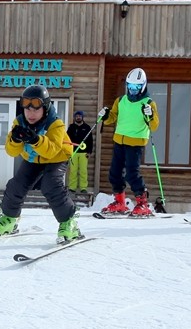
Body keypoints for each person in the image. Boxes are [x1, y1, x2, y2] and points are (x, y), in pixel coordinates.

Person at [0, 85, 81, 244]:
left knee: (51, 186)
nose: (31, 114)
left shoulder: (55, 124)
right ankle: (9, 219)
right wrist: (15, 140)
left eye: (36, 109)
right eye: (27, 109)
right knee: (16, 185)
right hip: (33, 159)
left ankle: (69, 222)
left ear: (45, 108)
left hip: (56, 158)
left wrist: (35, 140)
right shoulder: (19, 122)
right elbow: (12, 152)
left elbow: (51, 151)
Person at [98, 68, 159, 217]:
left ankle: (142, 203)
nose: (132, 90)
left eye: (136, 87)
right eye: (130, 86)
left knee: (132, 173)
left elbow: (154, 125)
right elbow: (112, 117)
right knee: (114, 173)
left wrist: (150, 115)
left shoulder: (148, 103)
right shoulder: (121, 101)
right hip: (119, 140)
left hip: (136, 142)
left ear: (143, 86)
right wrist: (106, 115)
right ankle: (119, 202)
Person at [66, 110, 95, 196]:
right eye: (77, 116)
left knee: (83, 171)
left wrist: (89, 152)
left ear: (82, 117)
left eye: (80, 116)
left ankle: (83, 188)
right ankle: (72, 187)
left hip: (84, 153)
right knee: (73, 171)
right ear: (75, 117)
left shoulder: (87, 128)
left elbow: (90, 141)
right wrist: (68, 151)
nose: (78, 117)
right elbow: (67, 140)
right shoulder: (71, 127)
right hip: (73, 152)